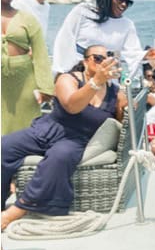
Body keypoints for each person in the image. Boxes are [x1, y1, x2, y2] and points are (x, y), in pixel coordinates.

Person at [1, 44, 125, 228]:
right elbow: (71, 106)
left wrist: (128, 107)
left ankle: (18, 210)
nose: (103, 61)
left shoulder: (116, 93)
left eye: (107, 57)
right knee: (4, 147)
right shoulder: (68, 79)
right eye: (97, 58)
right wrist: (95, 83)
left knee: (60, 158)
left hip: (76, 139)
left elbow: (122, 122)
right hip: (48, 129)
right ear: (85, 61)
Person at [51, 0, 155, 78]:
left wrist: (147, 55)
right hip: (77, 72)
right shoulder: (83, 11)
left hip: (106, 77)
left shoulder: (127, 24)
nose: (124, 4)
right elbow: (64, 40)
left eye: (127, 2)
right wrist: (61, 72)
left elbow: (132, 54)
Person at [2, 0, 55, 136]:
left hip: (24, 80)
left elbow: (41, 55)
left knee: (24, 129)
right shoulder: (23, 2)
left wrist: (45, 88)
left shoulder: (27, 18)